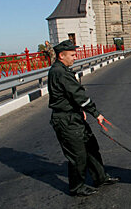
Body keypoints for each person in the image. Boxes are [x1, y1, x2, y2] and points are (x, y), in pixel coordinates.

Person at [48, 39, 119, 197]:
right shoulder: (59, 72)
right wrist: (96, 113)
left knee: (91, 148)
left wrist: (80, 110)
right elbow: (78, 95)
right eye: (72, 55)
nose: (75, 57)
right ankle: (76, 187)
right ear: (61, 55)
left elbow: (69, 96)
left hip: (74, 116)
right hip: (66, 120)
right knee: (77, 156)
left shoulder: (63, 70)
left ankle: (100, 177)